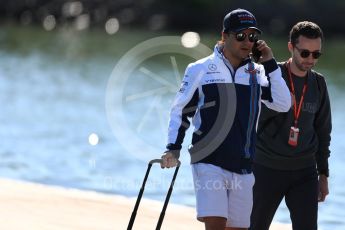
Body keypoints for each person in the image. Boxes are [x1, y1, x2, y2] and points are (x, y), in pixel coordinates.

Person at [160, 8, 291, 230]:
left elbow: (283, 103)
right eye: (240, 35)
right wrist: (173, 148)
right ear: (225, 36)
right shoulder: (199, 69)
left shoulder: (258, 73)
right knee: (216, 224)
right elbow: (181, 111)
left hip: (244, 166)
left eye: (252, 36)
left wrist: (270, 64)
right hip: (208, 161)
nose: (247, 42)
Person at [250, 21, 332, 230]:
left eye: (316, 54)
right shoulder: (270, 75)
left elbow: (324, 132)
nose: (310, 59)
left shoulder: (319, 84)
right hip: (266, 168)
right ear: (290, 48)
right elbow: (252, 120)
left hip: (304, 172)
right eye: (305, 53)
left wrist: (323, 174)